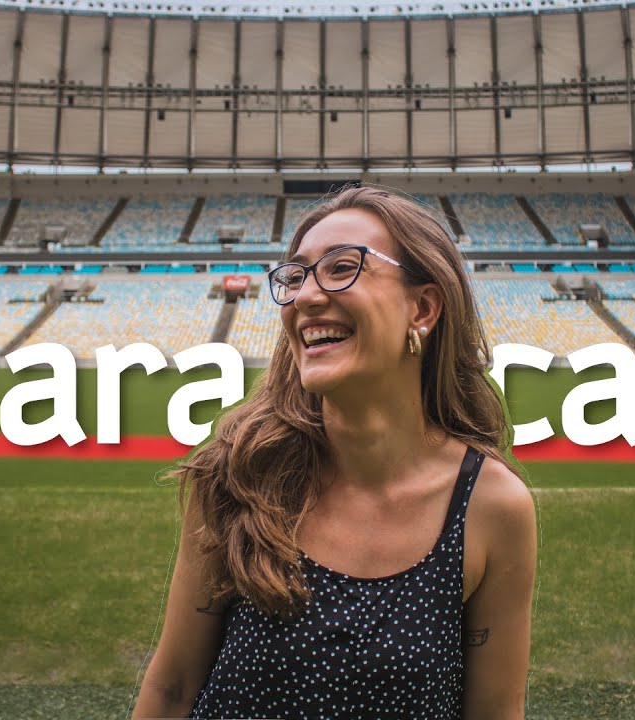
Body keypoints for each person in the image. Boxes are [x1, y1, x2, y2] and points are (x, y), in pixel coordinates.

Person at [132, 185, 537, 719]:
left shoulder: (494, 507)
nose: (304, 296)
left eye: (342, 267)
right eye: (295, 276)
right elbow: (172, 689)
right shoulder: (238, 474)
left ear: (423, 307)